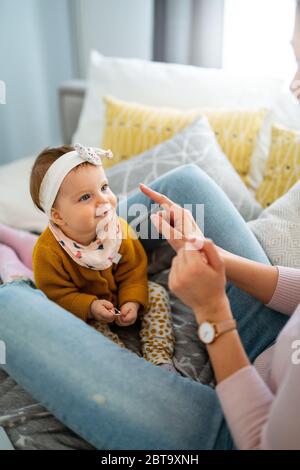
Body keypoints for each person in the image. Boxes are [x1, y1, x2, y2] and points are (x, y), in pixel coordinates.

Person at [0, 1, 299, 451]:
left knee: (9, 306)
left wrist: (213, 313)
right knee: (185, 184)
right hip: (275, 338)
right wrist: (221, 259)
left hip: (236, 429)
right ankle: (39, 243)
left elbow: (263, 442)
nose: (293, 87)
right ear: (55, 216)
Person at [27, 142, 175, 371]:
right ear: (58, 216)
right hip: (87, 309)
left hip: (120, 299)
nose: (103, 200)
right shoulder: (49, 253)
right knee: (85, 328)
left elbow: (133, 270)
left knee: (156, 293)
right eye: (85, 197)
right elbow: (56, 295)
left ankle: (159, 356)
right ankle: (122, 365)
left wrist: (131, 301)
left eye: (104, 187)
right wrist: (91, 306)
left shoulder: (119, 231)